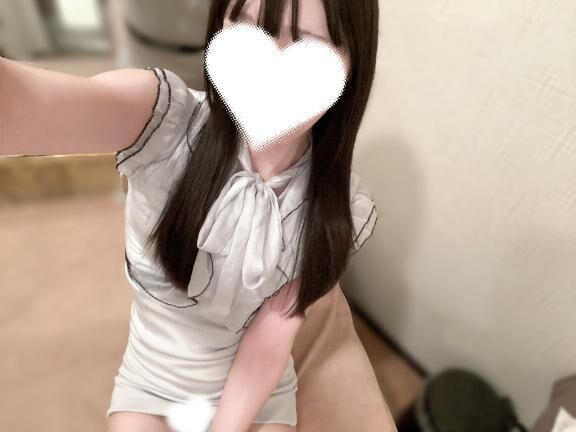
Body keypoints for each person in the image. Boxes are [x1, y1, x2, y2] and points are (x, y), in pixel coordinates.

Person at [0, 0, 380, 430]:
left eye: (306, 44)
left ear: (352, 63)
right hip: (151, 380)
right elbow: (27, 105)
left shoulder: (337, 208)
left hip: (258, 394)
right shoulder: (161, 122)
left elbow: (270, 341)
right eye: (246, 26)